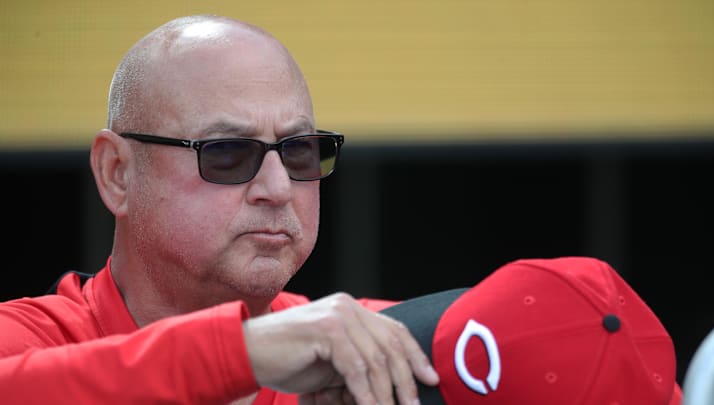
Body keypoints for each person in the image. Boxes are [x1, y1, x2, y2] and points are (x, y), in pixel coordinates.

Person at [0, 14, 439, 405]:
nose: (278, 187)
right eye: (227, 151)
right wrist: (243, 353)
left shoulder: (362, 344)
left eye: (299, 150)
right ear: (118, 173)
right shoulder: (32, 343)